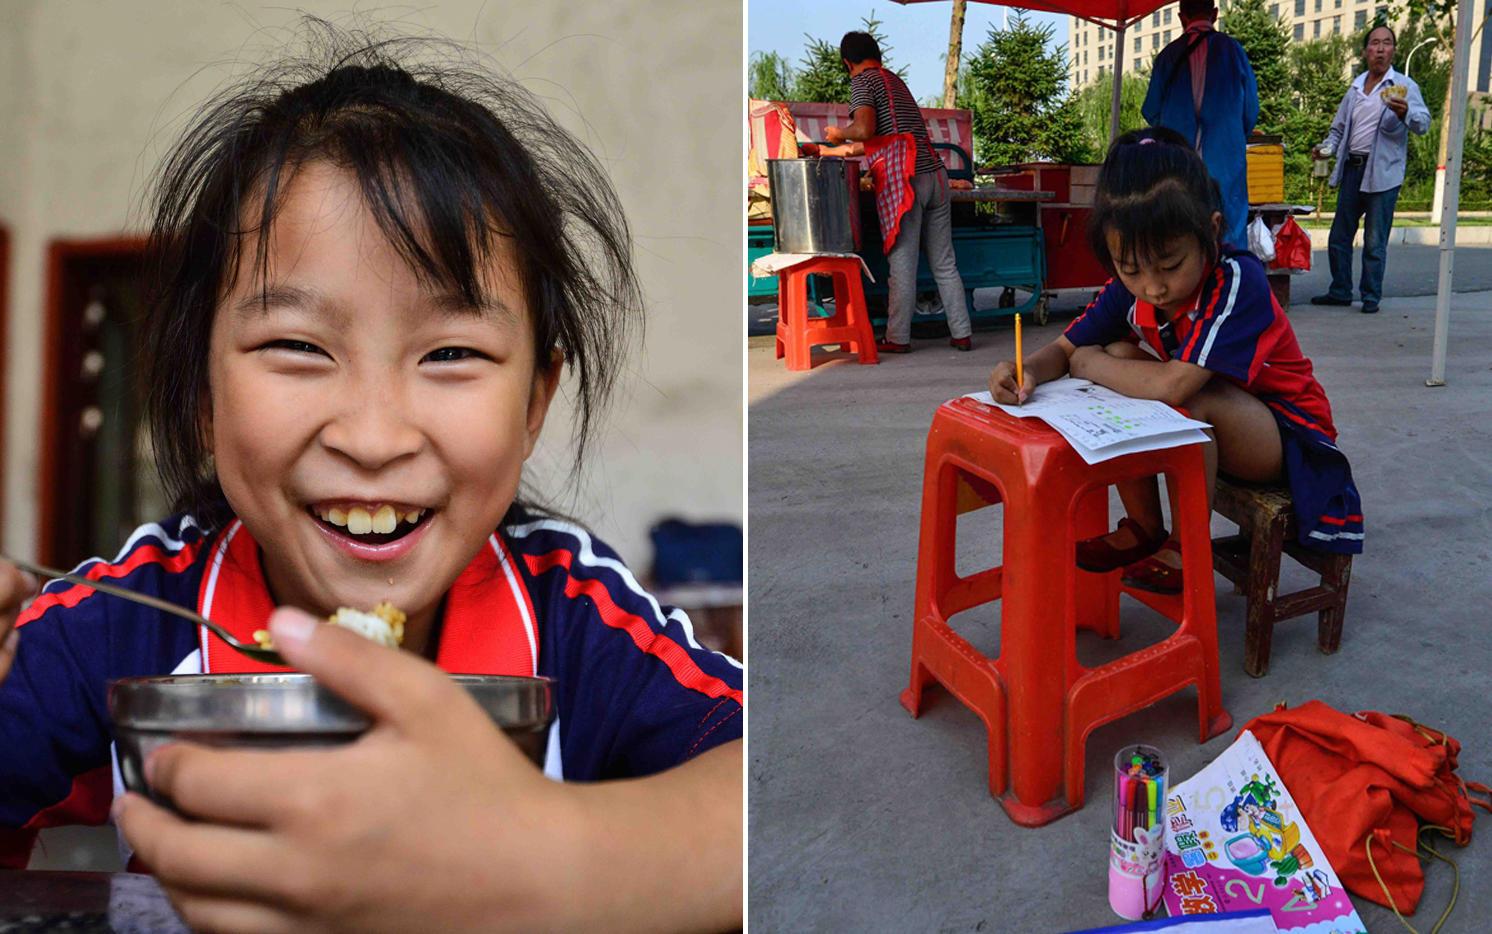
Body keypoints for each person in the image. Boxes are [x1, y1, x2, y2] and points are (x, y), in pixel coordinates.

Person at [0, 27, 741, 931]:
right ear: (201, 390)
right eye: (298, 348)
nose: (375, 435)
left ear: (534, 400)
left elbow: (755, 784)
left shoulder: (575, 621)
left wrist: (562, 858)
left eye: (453, 353)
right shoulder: (123, 624)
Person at [987, 129, 1363, 595]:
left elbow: (1172, 387)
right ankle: (1145, 527)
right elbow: (1065, 350)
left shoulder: (1236, 280)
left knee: (1184, 399)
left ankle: (1188, 549)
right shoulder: (1130, 286)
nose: (1153, 287)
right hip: (1227, 428)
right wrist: (1023, 370)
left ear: (1210, 229)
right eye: (1131, 269)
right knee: (1123, 356)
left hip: (1289, 439)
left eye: (1169, 265)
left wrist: (1089, 365)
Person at [815, 30, 972, 354]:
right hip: (936, 176)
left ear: (848, 63)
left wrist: (837, 134)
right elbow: (881, 138)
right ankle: (962, 333)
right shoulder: (894, 81)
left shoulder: (862, 82)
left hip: (907, 180)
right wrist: (834, 152)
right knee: (945, 263)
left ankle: (898, 338)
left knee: (902, 264)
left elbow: (863, 130)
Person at [1310, 25, 1430, 314]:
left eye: (1386, 43)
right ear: (1365, 52)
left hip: (1383, 174)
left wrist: (1405, 113)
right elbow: (1338, 130)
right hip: (1353, 168)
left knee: (1375, 242)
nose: (1380, 48)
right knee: (1339, 236)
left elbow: (1423, 123)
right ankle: (1340, 291)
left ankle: (1370, 296)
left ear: (1393, 51)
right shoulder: (1355, 88)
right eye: (1374, 43)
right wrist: (1324, 149)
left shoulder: (1402, 86)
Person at [1141, 0, 1259, 252]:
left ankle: (1186, 281)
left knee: (1178, 222)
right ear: (1215, 14)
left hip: (1177, 158)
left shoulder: (1167, 55)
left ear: (1181, 17)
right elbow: (1251, 109)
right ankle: (1229, 278)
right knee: (1229, 222)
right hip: (1225, 157)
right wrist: (1233, 134)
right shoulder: (1233, 50)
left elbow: (1150, 110)